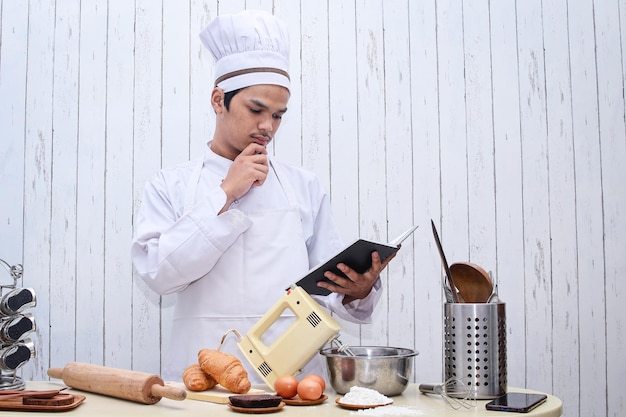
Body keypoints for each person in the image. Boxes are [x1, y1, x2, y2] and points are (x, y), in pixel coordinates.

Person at [131, 9, 395, 383]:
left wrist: (359, 289)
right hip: (200, 380)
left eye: (278, 115)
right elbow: (159, 274)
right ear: (218, 100)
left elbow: (328, 292)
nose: (267, 127)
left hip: (292, 382)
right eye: (256, 109)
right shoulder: (168, 185)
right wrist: (225, 193)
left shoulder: (303, 186)